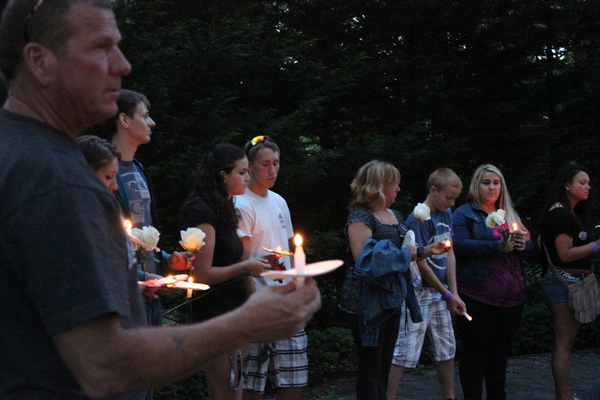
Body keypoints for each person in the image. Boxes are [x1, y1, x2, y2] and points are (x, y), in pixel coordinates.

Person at [0, 1, 321, 398]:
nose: (123, 64)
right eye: (100, 47)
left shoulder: (17, 152)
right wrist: (246, 323)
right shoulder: (59, 182)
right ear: (39, 61)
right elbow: (105, 364)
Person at [339, 160, 447, 400]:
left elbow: (407, 252)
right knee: (371, 367)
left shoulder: (394, 215)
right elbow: (363, 261)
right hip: (367, 303)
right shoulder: (360, 217)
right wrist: (405, 254)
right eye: (393, 184)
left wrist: (429, 250)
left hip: (391, 299)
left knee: (384, 366)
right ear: (378, 186)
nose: (398, 189)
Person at [180, 143, 274, 400]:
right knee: (225, 389)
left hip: (235, 310)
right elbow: (201, 275)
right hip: (215, 313)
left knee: (235, 386)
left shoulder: (226, 208)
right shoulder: (203, 212)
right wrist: (246, 267)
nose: (248, 178)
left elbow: (233, 256)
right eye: (242, 172)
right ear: (223, 174)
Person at [101, 89, 192, 327]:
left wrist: (168, 260)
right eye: (145, 116)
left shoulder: (139, 168)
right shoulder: (101, 173)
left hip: (150, 297)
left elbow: (143, 236)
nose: (152, 122)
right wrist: (138, 279)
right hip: (122, 297)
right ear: (124, 120)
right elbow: (102, 245)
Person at [235, 136, 308, 400]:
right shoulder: (242, 204)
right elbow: (241, 261)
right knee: (253, 380)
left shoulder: (279, 201)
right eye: (265, 164)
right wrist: (252, 300)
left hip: (287, 300)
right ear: (250, 167)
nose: (272, 170)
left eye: (276, 163)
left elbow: (289, 250)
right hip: (258, 302)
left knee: (295, 374)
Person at [452, 164, 533, 400]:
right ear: (476, 185)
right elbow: (460, 245)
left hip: (510, 297)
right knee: (475, 353)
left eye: (496, 183)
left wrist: (522, 245)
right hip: (478, 294)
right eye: (486, 182)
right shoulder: (465, 213)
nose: (491, 187)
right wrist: (496, 246)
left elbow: (530, 245)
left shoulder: (508, 213)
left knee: (499, 354)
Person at [387, 168, 466, 400]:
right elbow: (419, 260)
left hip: (442, 293)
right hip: (420, 293)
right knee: (405, 352)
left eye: (455, 199)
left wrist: (453, 292)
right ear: (433, 190)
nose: (451, 203)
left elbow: (450, 253)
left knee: (446, 348)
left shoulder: (446, 214)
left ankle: (448, 396)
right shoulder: (419, 218)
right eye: (448, 197)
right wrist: (445, 293)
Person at [539, 164, 600, 400]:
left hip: (572, 283)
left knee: (567, 341)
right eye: (582, 183)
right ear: (566, 184)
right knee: (564, 342)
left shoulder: (568, 213)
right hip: (563, 284)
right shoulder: (560, 214)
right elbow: (564, 254)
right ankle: (563, 396)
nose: (588, 187)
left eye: (588, 183)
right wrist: (596, 246)